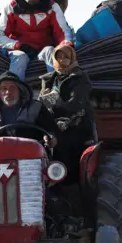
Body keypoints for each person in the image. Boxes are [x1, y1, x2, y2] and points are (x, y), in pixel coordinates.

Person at [0, 0, 74, 81]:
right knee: (20, 58)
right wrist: (19, 45)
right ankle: (16, 91)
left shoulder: (52, 7)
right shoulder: (10, 8)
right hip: (18, 50)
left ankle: (56, 88)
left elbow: (63, 31)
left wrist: (66, 45)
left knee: (50, 51)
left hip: (42, 50)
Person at [39, 44, 95, 184]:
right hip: (55, 127)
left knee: (72, 165)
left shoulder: (79, 77)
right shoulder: (49, 79)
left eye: (65, 57)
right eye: (59, 57)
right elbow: (43, 102)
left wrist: (56, 103)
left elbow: (77, 103)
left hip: (76, 127)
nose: (62, 60)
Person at [0, 71, 59, 144]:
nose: (8, 92)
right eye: (3, 88)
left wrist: (50, 138)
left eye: (12, 88)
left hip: (32, 158)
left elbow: (52, 131)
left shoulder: (37, 108)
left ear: (20, 90)